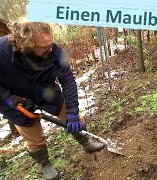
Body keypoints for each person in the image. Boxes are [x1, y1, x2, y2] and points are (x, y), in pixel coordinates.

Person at [0, 19, 104, 180]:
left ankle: (85, 142)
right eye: (44, 47)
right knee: (34, 138)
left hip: (45, 91)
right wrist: (9, 100)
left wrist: (73, 113)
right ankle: (45, 164)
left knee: (73, 118)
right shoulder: (1, 52)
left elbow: (68, 80)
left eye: (51, 44)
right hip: (15, 101)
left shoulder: (53, 50)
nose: (50, 48)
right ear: (25, 43)